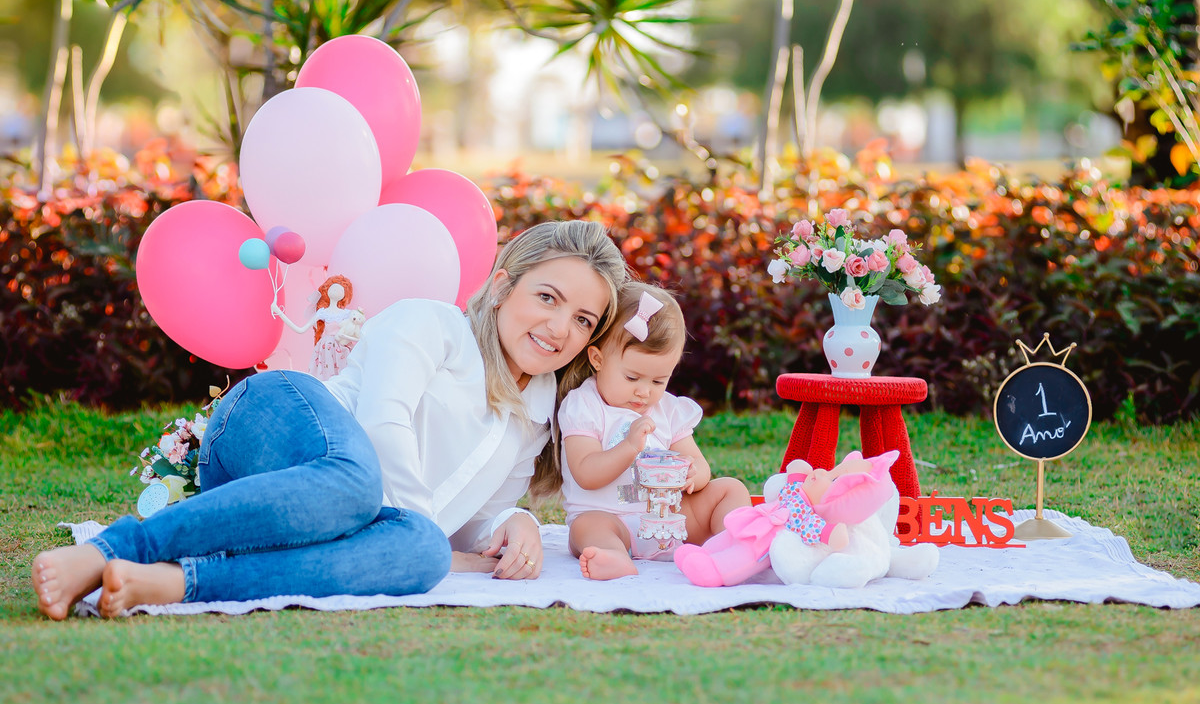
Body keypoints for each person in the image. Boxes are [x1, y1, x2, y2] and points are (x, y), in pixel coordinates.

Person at [32, 220, 628, 620]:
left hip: (324, 513)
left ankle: (176, 582)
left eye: (583, 320)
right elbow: (384, 426)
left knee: (423, 553)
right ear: (501, 287)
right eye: (547, 298)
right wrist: (425, 528)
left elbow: (468, 523)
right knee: (363, 486)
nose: (559, 328)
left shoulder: (536, 414)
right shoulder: (433, 325)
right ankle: (112, 548)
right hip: (272, 420)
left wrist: (513, 523)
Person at [557, 283, 751, 580]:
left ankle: (731, 549)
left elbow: (700, 466)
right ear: (598, 359)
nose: (645, 392)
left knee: (730, 488)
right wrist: (628, 446)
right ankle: (614, 556)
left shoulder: (668, 409)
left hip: (672, 519)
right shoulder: (584, 405)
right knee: (587, 527)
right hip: (613, 520)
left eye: (658, 381)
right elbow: (586, 473)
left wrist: (692, 473)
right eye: (632, 377)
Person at [271, 274, 361, 379]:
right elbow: (300, 329)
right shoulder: (323, 313)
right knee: (325, 376)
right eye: (333, 287)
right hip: (325, 349)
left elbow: (355, 333)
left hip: (342, 346)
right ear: (327, 290)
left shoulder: (347, 314)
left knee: (344, 374)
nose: (336, 289)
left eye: (340, 289)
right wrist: (279, 312)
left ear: (345, 295)